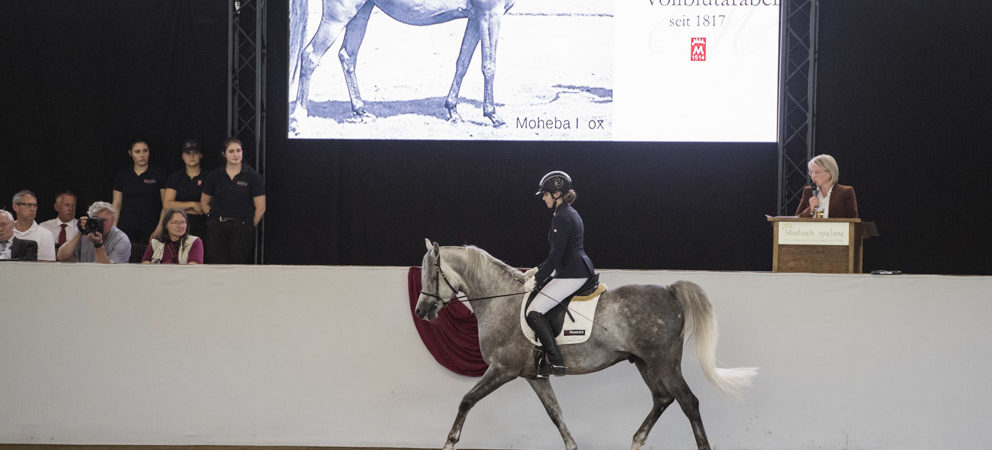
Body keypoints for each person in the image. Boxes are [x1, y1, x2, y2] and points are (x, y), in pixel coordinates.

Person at [522, 171, 595, 377]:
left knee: (534, 311)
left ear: (557, 193)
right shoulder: (567, 212)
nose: (543, 198)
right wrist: (538, 269)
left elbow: (556, 255)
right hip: (574, 268)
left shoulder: (562, 217)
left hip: (572, 272)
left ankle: (556, 361)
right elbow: (557, 255)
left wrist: (537, 279)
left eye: (545, 194)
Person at [200, 137, 266, 264]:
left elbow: (261, 207)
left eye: (238, 150)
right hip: (217, 226)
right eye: (231, 151)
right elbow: (204, 202)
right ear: (224, 154)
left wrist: (248, 226)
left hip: (241, 227)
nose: (236, 154)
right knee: (215, 265)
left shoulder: (252, 176)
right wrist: (212, 217)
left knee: (237, 265)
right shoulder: (215, 175)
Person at [113, 139, 167, 259]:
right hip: (126, 228)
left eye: (145, 151)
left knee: (148, 262)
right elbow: (116, 204)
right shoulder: (123, 176)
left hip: (151, 229)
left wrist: (159, 228)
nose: (142, 155)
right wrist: (113, 229)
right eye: (137, 152)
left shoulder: (158, 174)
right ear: (130, 153)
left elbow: (166, 205)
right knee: (126, 262)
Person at [57, 201, 132, 264]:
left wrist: (98, 245)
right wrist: (79, 233)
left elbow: (109, 273)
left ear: (113, 221)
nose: (100, 224)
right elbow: (61, 257)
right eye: (97, 220)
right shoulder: (83, 231)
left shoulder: (121, 240)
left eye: (104, 220)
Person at [164, 139, 207, 237]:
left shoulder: (209, 177)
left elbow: (205, 208)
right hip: (177, 227)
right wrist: (192, 205)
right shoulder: (175, 177)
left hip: (202, 227)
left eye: (195, 153)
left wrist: (179, 207)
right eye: (188, 153)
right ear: (183, 156)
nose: (191, 156)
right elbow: (167, 205)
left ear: (201, 155)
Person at [795, 154, 859, 218]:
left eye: (817, 172)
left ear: (830, 173)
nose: (813, 176)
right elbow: (796, 220)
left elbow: (853, 221)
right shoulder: (808, 191)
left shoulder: (845, 192)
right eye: (811, 172)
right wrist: (810, 210)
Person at [10, 190, 56, 261]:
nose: (32, 209)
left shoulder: (45, 235)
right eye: (28, 205)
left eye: (35, 205)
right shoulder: (5, 231)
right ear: (15, 207)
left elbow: (47, 266)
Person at [39, 191, 79, 255]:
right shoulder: (44, 227)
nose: (71, 209)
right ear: (56, 207)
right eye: (67, 205)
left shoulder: (81, 227)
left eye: (73, 205)